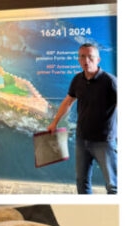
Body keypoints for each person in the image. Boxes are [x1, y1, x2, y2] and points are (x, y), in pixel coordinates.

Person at [47, 41, 117, 194]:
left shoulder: (110, 81)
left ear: (98, 59)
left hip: (104, 141)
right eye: (82, 57)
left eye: (90, 57)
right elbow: (68, 102)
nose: (86, 61)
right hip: (81, 139)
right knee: (81, 182)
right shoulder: (77, 79)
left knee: (113, 186)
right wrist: (54, 122)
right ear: (78, 59)